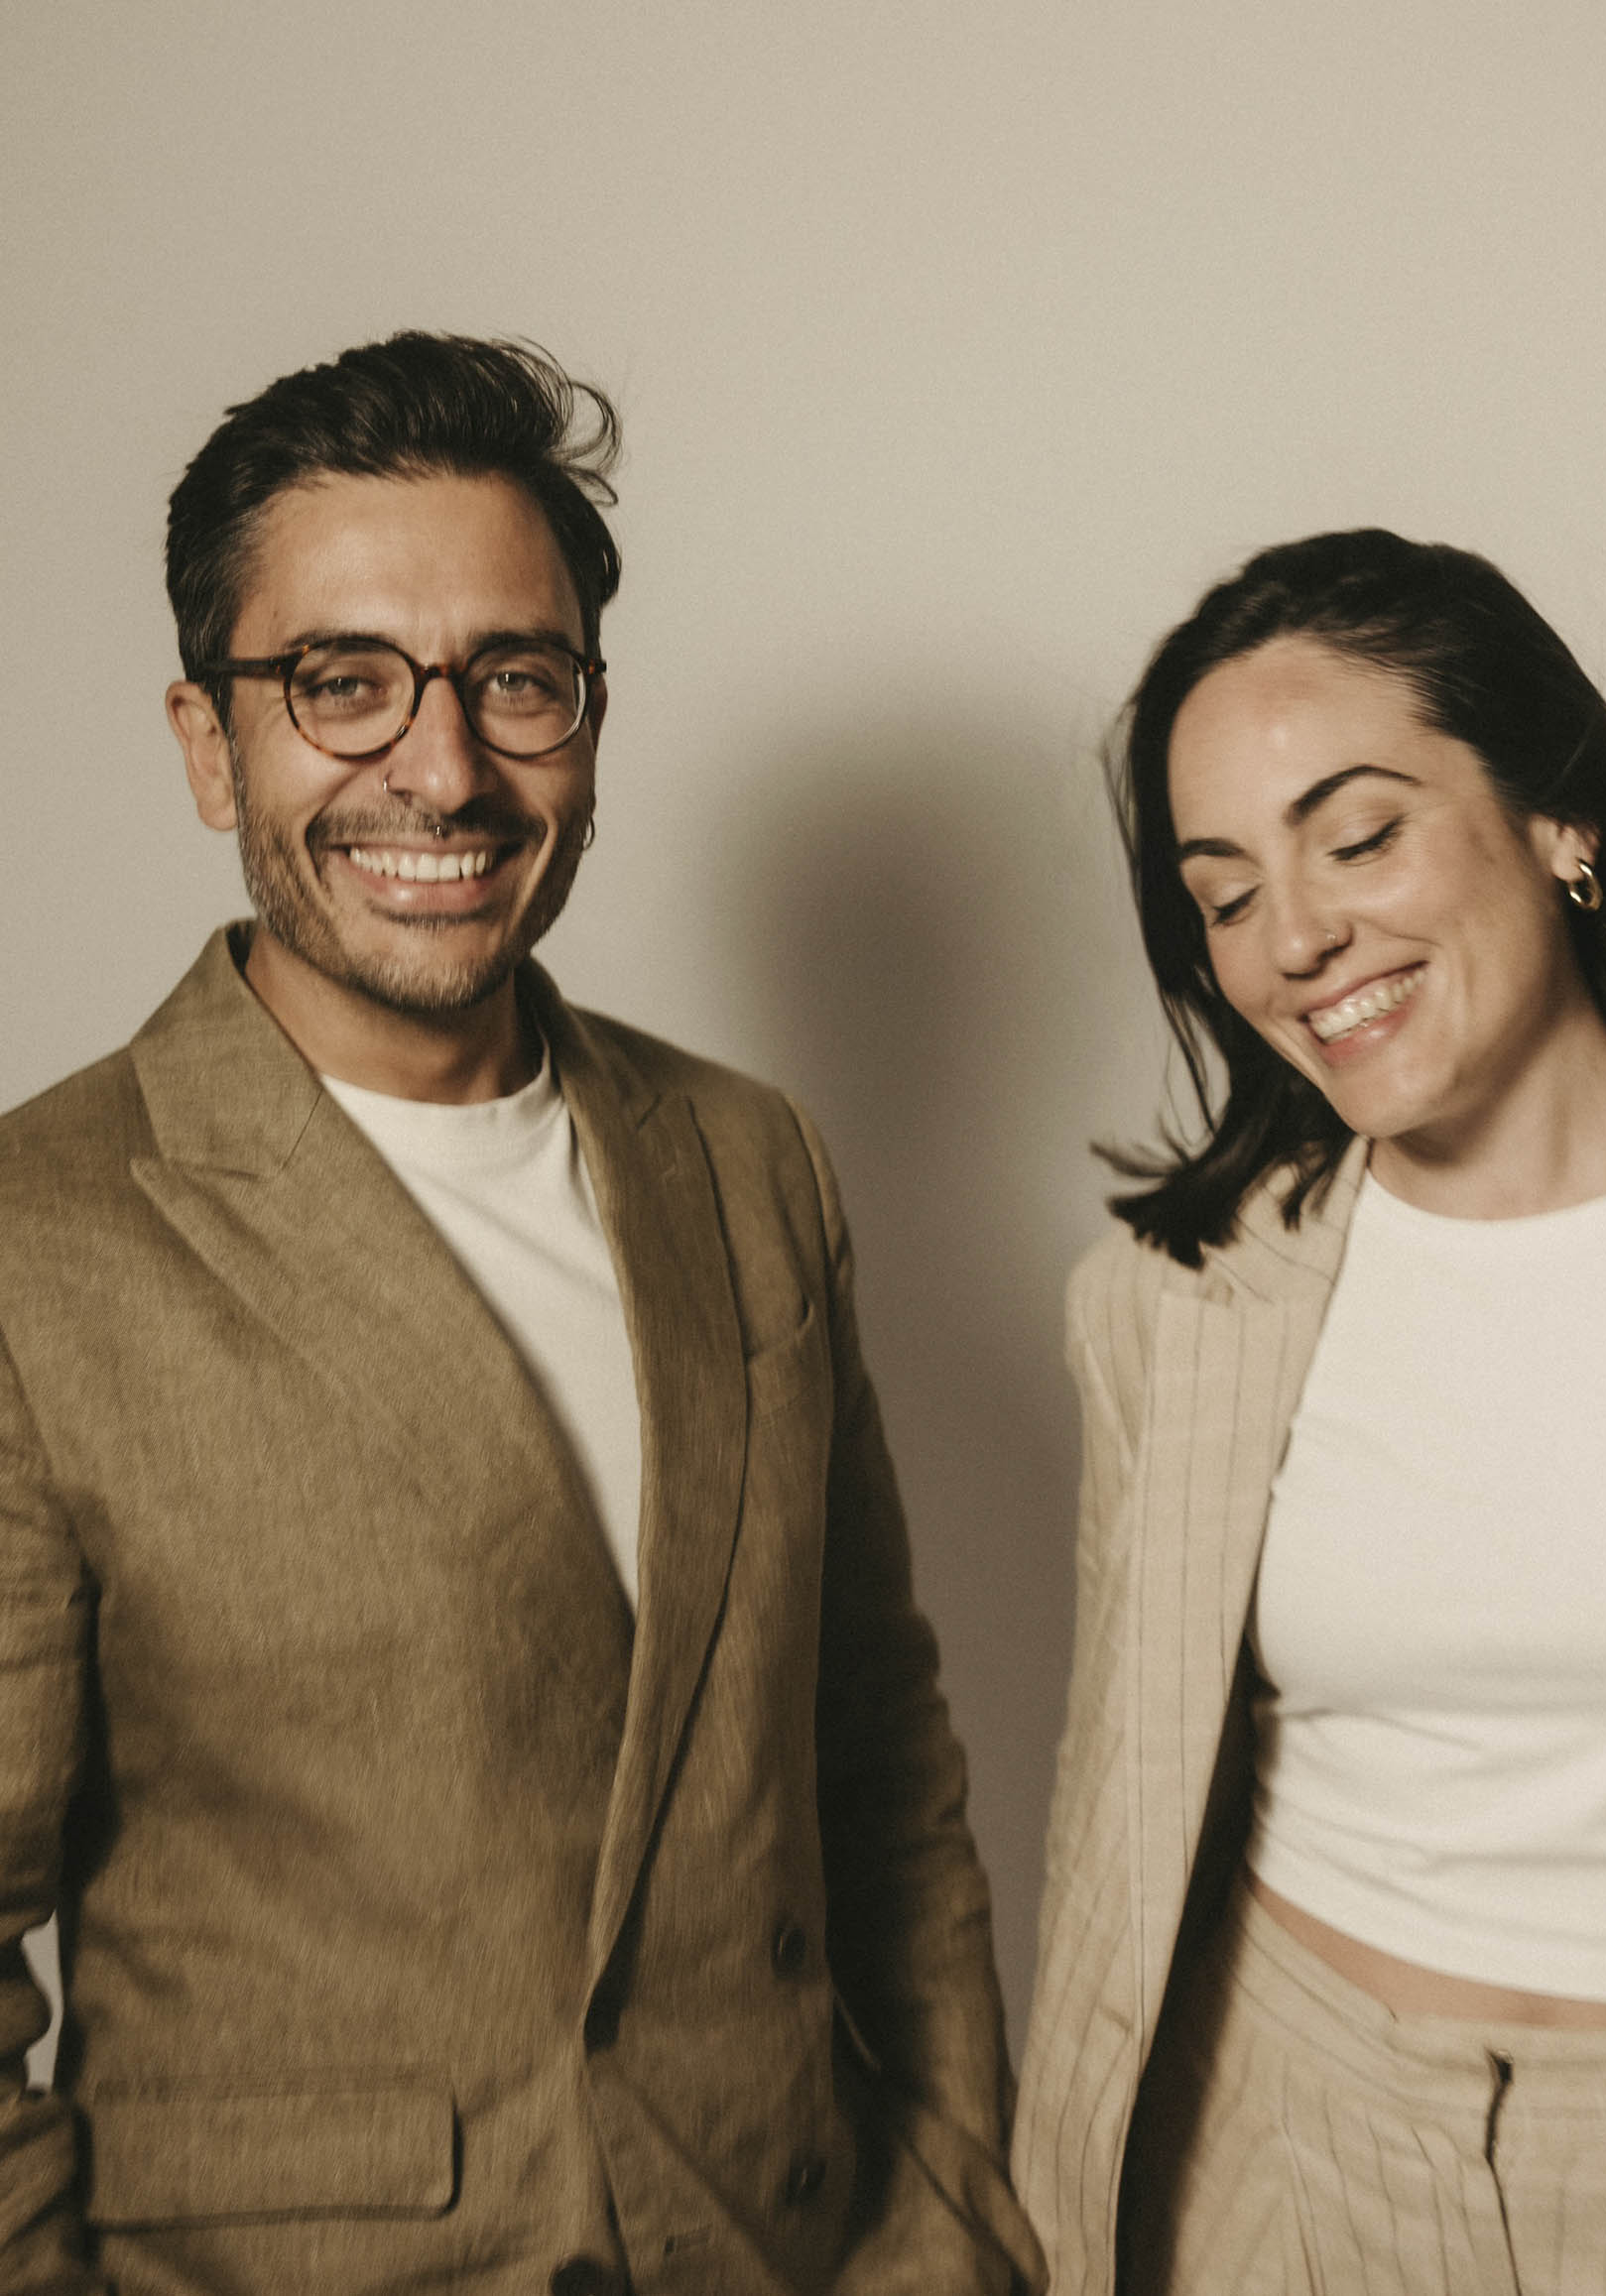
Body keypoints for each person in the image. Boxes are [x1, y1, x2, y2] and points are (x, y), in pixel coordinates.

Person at [0, 331, 1043, 2296]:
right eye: (343, 682)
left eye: (516, 679)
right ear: (211, 743)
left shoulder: (748, 1160)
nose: (445, 766)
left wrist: (956, 2217)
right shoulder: (34, 1244)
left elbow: (876, 1761)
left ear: (587, 718)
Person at [1013, 527, 1606, 2294]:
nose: (1296, 937)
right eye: (1224, 894)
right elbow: (1116, 1815)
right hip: (1287, 2161)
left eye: (1357, 835)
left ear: (1557, 817)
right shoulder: (1173, 1303)